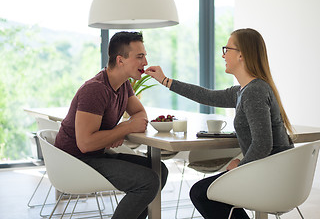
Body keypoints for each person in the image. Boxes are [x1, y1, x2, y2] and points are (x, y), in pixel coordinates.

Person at [145, 28, 294, 219]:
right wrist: (165, 80)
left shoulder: (254, 92)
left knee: (201, 193)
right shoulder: (243, 91)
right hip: (267, 170)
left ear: (241, 55)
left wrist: (240, 166)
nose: (223, 54)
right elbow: (205, 95)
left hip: (271, 175)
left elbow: (263, 144)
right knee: (209, 193)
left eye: (227, 49)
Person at [55, 31, 168, 219]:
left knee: (159, 170)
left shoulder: (123, 84)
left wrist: (117, 133)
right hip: (76, 161)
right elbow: (85, 143)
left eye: (145, 56)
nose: (145, 63)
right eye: (140, 57)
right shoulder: (95, 89)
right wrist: (123, 129)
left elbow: (140, 114)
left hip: (95, 155)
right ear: (120, 60)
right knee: (148, 181)